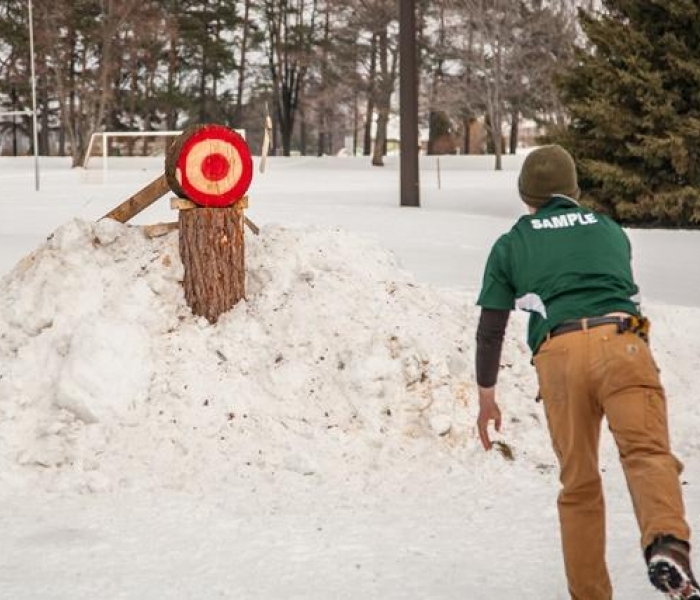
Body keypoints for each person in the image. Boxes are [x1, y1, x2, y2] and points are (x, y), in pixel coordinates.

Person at [474, 144, 698, 600]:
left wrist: (486, 397)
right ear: (574, 189)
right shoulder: (610, 230)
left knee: (578, 484)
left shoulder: (512, 243)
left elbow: (490, 328)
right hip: (623, 342)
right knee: (646, 454)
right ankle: (667, 543)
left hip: (559, 354)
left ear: (526, 196)